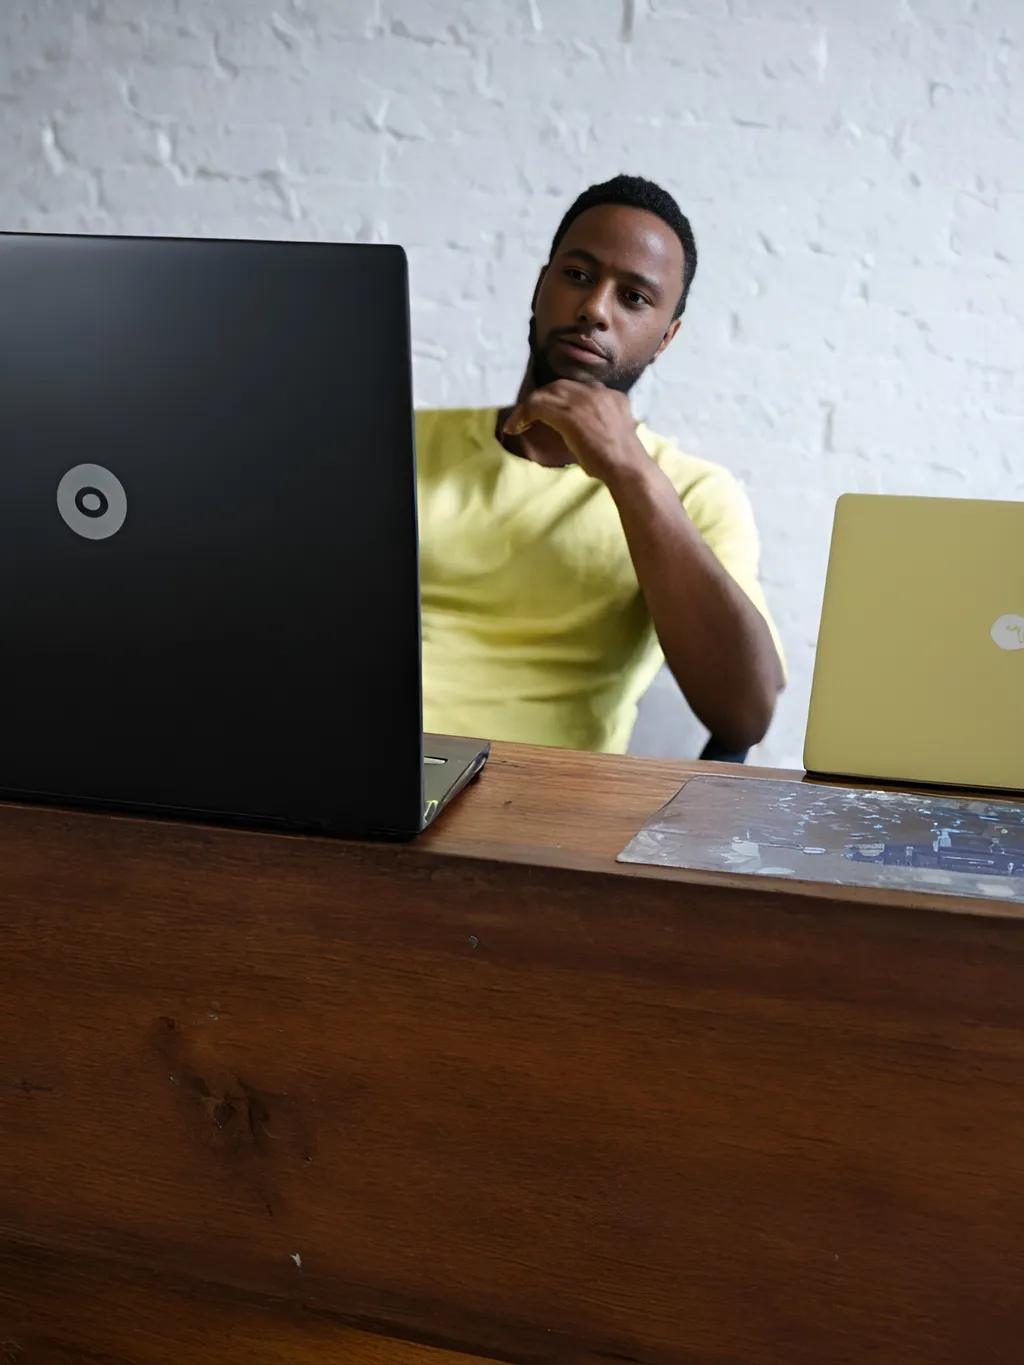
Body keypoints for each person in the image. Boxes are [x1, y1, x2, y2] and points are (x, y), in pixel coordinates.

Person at [415, 174, 784, 757]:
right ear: (540, 288)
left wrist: (630, 471)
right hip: (355, 769)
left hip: (543, 808)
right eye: (578, 276)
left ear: (665, 338)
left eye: (633, 297)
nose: (594, 309)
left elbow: (743, 717)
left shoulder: (696, 492)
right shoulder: (403, 439)